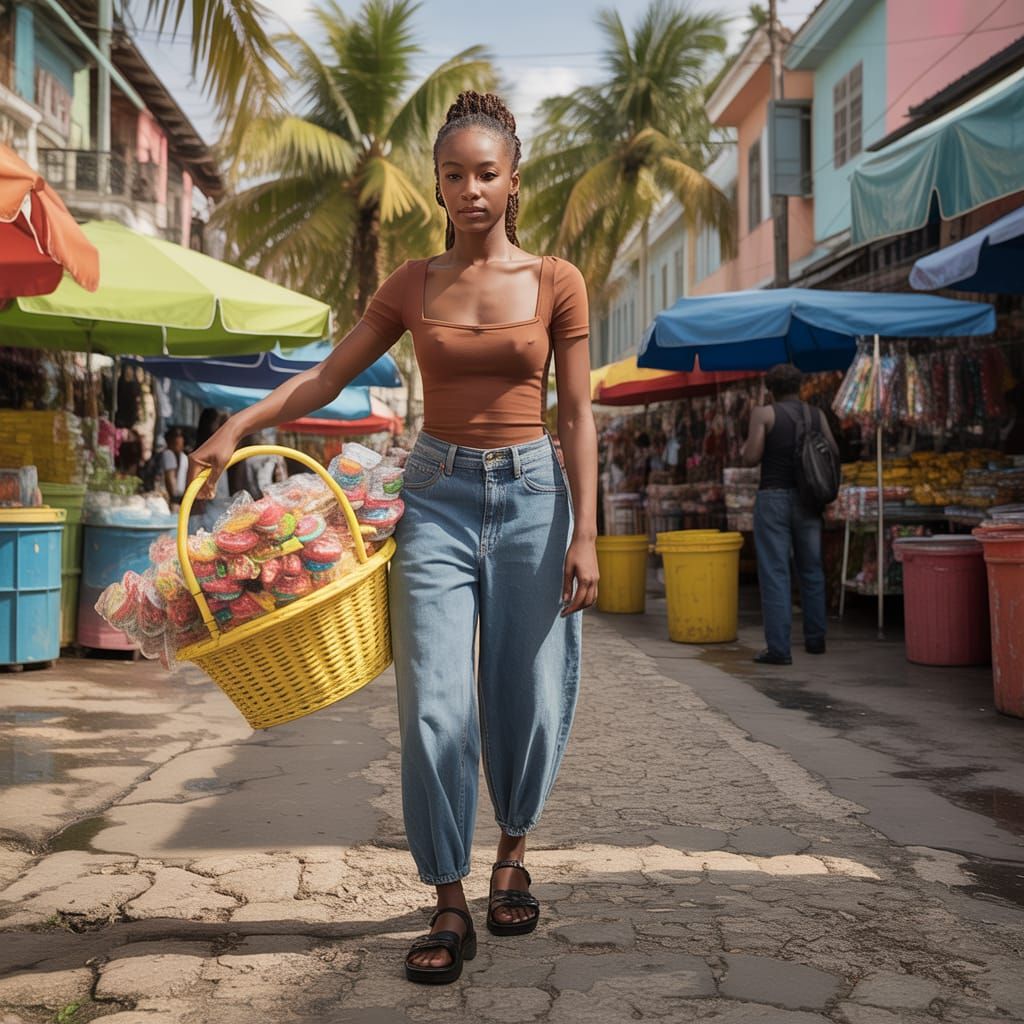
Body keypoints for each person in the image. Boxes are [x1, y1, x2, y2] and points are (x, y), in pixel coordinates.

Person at [188, 91, 599, 986]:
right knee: (433, 707)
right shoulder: (412, 283)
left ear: (513, 181)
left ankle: (512, 855)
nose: (470, 189)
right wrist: (241, 423)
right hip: (437, 498)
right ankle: (450, 899)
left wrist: (587, 534)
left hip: (535, 497)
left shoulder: (557, 280)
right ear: (438, 187)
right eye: (454, 175)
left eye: (486, 173)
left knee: (526, 692)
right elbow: (327, 376)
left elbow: (577, 414)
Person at [741, 363, 833, 666]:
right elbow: (832, 451)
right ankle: (816, 639)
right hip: (809, 499)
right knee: (812, 569)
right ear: (800, 386)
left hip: (773, 498)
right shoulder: (816, 415)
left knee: (776, 573)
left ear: (771, 389)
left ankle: (779, 649)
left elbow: (751, 457)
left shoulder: (764, 414)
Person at [160, 427, 188, 509]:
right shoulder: (168, 454)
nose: (180, 440)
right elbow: (170, 481)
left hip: (178, 498)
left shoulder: (184, 457)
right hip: (170, 499)